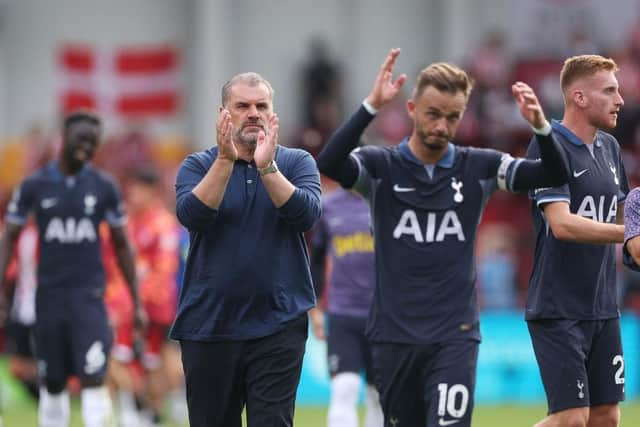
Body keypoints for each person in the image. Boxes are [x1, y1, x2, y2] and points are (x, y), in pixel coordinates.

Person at [317, 48, 568, 427]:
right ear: (413, 108)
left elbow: (551, 173)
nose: (441, 126)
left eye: (452, 117)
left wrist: (541, 128)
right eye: (433, 114)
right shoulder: (382, 166)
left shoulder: (480, 167)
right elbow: (330, 162)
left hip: (455, 335)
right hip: (393, 337)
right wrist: (371, 105)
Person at [171, 72, 322, 427]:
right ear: (224, 114)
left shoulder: (297, 162)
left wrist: (266, 166)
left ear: (273, 115)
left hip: (278, 324)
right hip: (209, 326)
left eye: (261, 106)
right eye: (242, 106)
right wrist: (225, 161)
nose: (253, 113)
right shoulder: (197, 165)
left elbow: (306, 216)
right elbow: (193, 215)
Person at [0, 110, 145, 427]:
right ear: (64, 139)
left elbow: (122, 245)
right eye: (82, 140)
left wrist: (136, 300)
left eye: (93, 143)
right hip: (49, 298)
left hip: (89, 299)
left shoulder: (104, 186)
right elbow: (8, 236)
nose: (87, 148)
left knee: (94, 378)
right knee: (52, 383)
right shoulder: (34, 186)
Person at [525, 55, 628, 427]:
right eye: (610, 91)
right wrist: (626, 233)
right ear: (580, 97)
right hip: (557, 307)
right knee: (570, 419)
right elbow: (562, 224)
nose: (620, 100)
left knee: (606, 417)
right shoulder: (548, 145)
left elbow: (623, 218)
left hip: (602, 305)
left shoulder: (610, 149)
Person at [308, 188, 383, 427]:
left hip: (384, 316)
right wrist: (315, 309)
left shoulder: (386, 200)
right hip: (342, 313)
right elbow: (316, 260)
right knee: (344, 387)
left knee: (381, 395)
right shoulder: (328, 207)